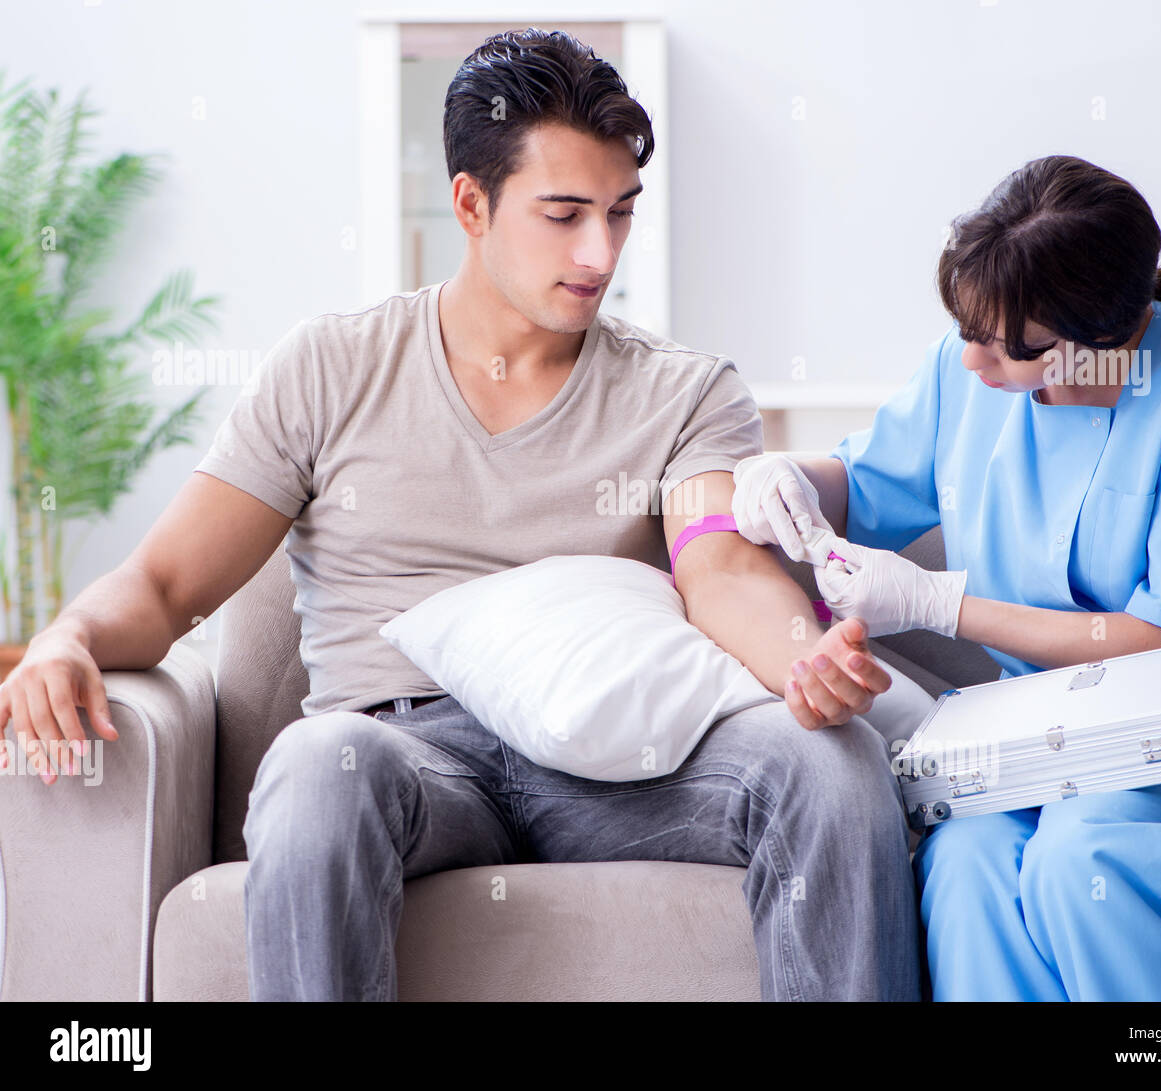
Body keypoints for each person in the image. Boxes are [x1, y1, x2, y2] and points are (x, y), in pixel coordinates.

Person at [0, 28, 923, 1001]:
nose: (599, 251)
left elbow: (721, 567)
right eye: (563, 214)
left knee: (829, 763)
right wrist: (67, 635)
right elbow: (166, 584)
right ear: (470, 204)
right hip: (406, 755)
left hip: (626, 762)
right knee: (319, 762)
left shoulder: (685, 391)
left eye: (619, 213)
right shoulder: (332, 367)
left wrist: (799, 662)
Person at [732, 155, 1161, 1001]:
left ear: (1105, 333)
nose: (972, 363)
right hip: (1034, 741)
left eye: (1009, 345)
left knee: (1088, 856)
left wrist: (938, 604)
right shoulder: (968, 368)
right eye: (967, 327)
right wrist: (785, 480)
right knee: (963, 867)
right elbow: (865, 482)